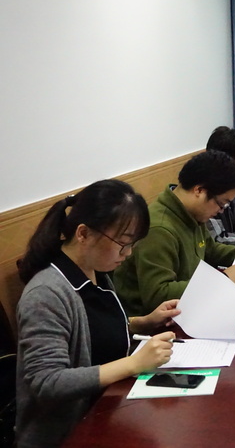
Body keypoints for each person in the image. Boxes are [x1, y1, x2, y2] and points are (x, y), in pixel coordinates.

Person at [15, 180, 179, 447]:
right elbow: (46, 382)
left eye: (133, 244)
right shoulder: (46, 293)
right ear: (83, 234)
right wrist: (133, 364)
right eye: (123, 244)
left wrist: (143, 322)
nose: (128, 253)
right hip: (69, 433)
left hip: (110, 410)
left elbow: (93, 331)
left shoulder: (96, 271)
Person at [114, 151, 235, 317]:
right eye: (221, 204)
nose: (220, 211)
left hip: (188, 311)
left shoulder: (190, 213)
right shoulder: (159, 229)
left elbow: (210, 249)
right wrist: (223, 281)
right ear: (199, 190)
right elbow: (158, 295)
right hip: (156, 325)